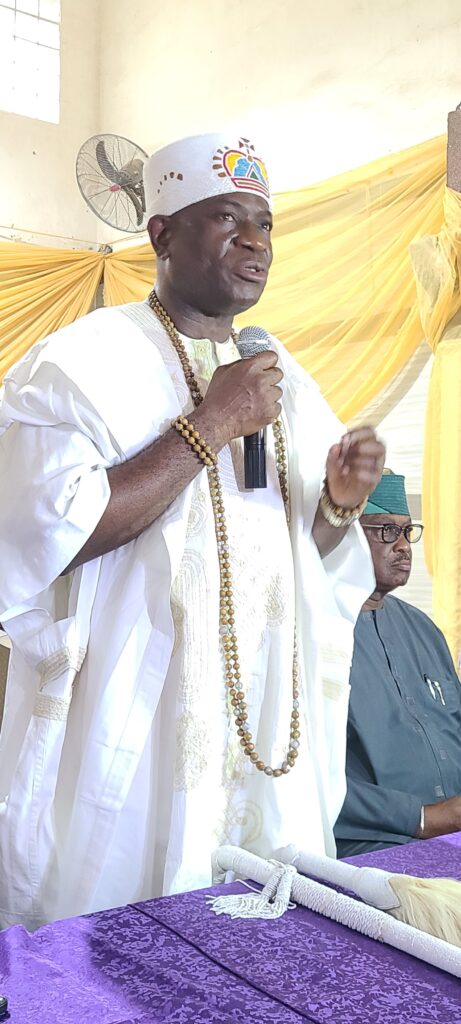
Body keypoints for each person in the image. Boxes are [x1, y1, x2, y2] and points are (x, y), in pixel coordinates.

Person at [0, 132, 384, 929]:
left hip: (261, 715)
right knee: (124, 940)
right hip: (137, 716)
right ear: (162, 235)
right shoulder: (77, 364)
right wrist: (210, 424)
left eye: (264, 224)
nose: (255, 241)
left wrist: (337, 508)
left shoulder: (283, 374)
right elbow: (47, 537)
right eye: (227, 218)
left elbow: (294, 564)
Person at [334, 469, 461, 858]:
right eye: (387, 531)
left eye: (407, 531)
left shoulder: (423, 629)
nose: (404, 546)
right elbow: (304, 775)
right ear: (348, 535)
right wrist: (421, 817)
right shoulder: (315, 633)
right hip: (378, 843)